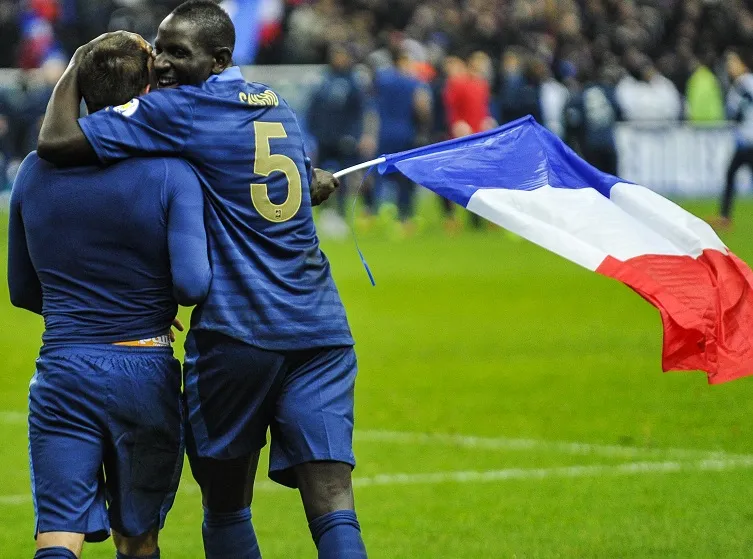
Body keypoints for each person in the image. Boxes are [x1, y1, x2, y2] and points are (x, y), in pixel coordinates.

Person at [37, 2, 366, 558]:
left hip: (239, 333)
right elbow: (282, 179)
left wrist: (76, 64)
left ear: (218, 60)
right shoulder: (275, 104)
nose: (161, 63)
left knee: (226, 504)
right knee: (334, 504)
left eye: (176, 53)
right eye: (158, 48)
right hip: (321, 331)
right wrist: (311, 180)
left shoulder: (181, 111)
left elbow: (57, 141)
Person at [8, 33, 211, 559]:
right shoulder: (172, 173)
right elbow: (192, 284)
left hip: (63, 366)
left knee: (56, 533)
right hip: (144, 370)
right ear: (148, 89)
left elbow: (21, 289)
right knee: (138, 537)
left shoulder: (33, 170)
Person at [371, 47, 432, 227]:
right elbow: (422, 107)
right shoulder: (413, 83)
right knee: (405, 176)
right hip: (406, 133)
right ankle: (405, 216)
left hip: (384, 132)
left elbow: (372, 105)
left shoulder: (383, 80)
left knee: (379, 172)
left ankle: (373, 211)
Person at [715, 50, 753, 228]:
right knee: (731, 174)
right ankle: (724, 216)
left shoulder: (742, 84)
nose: (730, 68)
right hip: (747, 140)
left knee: (730, 174)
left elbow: (736, 111)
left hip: (747, 140)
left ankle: (725, 216)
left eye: (732, 64)